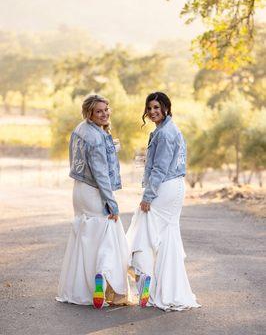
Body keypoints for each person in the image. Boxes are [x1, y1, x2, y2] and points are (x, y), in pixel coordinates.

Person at [127, 92, 200, 311]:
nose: (152, 112)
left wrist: (148, 196)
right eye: (149, 108)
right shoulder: (166, 129)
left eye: (156, 108)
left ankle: (147, 279)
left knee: (144, 231)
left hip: (165, 187)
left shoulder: (165, 133)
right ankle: (164, 288)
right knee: (166, 237)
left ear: (166, 107)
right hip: (174, 186)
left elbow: (160, 168)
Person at [56, 94, 129, 308]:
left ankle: (82, 289)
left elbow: (81, 160)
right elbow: (100, 174)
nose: (105, 113)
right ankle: (102, 278)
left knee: (85, 238)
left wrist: (110, 148)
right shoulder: (96, 138)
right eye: (99, 111)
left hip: (79, 190)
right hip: (94, 190)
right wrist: (112, 203)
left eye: (106, 109)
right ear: (90, 113)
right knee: (108, 234)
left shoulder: (80, 129)